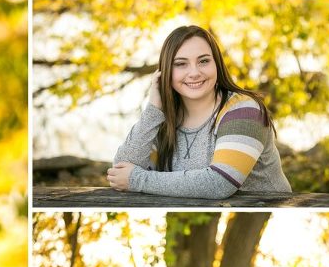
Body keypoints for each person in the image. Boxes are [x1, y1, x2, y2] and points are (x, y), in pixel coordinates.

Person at [107, 25, 291, 199]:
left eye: (203, 61)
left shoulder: (244, 110)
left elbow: (220, 183)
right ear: (165, 72)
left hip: (265, 209)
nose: (194, 72)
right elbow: (121, 171)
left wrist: (137, 180)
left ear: (217, 64)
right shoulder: (163, 120)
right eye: (181, 64)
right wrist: (154, 109)